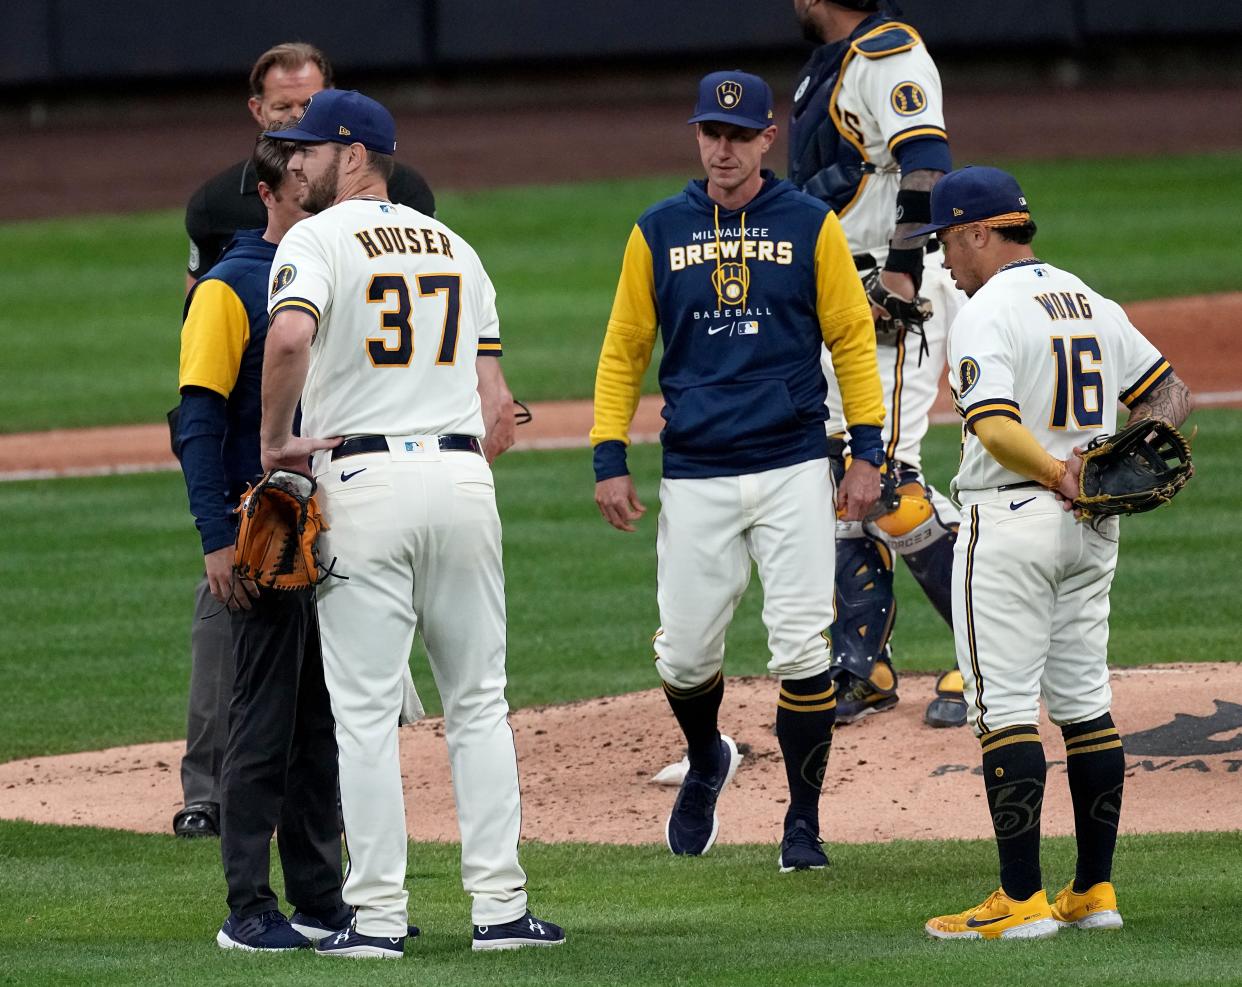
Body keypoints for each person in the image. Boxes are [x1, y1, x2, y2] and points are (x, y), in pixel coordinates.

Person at [260, 88, 564, 958]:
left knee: (361, 716)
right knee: (479, 703)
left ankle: (381, 918)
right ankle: (502, 911)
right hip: (463, 480)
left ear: (353, 156)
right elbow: (498, 406)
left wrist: (275, 438)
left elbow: (287, 341)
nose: (292, 163)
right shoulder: (458, 246)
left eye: (308, 150)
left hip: (364, 480)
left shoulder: (315, 238)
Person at [591, 70, 885, 871]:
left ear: (766, 139)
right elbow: (625, 349)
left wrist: (867, 449)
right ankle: (707, 755)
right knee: (684, 655)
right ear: (698, 138)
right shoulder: (654, 230)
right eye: (710, 134)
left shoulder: (810, 224)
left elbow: (853, 340)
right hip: (695, 470)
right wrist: (608, 454)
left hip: (791, 463)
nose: (723, 149)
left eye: (738, 135)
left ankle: (803, 821)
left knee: (801, 650)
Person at [912, 166, 1193, 939]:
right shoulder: (1088, 298)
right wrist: (1112, 459)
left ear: (978, 232)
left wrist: (1058, 469)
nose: (942, 261)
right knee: (1083, 703)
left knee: (1001, 709)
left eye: (944, 241)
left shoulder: (987, 311)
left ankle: (1020, 900)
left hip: (1011, 521)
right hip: (1093, 526)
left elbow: (996, 429)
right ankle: (1094, 891)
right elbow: (1170, 395)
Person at [172, 40, 436, 840]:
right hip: (263, 480)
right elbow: (204, 376)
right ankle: (215, 799)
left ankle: (339, 802)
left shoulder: (393, 203)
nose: (296, 125)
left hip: (357, 472)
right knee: (240, 632)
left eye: (308, 108)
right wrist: (216, 523)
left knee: (350, 639)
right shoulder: (228, 236)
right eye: (282, 111)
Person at [178, 135, 349, 951]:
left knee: (319, 722)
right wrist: (216, 538)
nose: (321, 181)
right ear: (269, 188)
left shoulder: (328, 272)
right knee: (261, 722)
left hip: (336, 531)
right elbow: (200, 419)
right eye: (306, 173)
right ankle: (248, 905)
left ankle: (321, 899)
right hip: (265, 533)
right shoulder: (228, 287)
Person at [789, 0, 967, 727]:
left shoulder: (888, 52)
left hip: (889, 287)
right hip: (840, 287)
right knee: (842, 473)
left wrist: (897, 275)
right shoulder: (828, 67)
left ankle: (992, 650)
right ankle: (864, 662)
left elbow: (926, 163)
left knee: (888, 480)